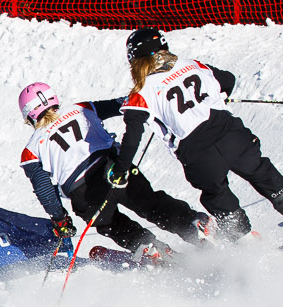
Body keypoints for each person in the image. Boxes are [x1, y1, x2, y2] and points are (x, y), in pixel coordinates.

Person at [121, 28, 283, 255]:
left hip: (199, 155)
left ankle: (251, 250)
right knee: (262, 173)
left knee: (217, 197)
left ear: (135, 61)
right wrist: (217, 95)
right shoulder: (192, 64)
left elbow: (131, 140)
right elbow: (227, 79)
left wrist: (121, 170)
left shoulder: (140, 93)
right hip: (232, 136)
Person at [16, 81, 207, 262]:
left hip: (82, 192)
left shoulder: (31, 149)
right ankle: (193, 224)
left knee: (111, 224)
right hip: (113, 168)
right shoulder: (81, 108)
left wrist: (60, 219)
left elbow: (44, 190)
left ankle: (149, 249)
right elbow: (122, 104)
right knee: (150, 203)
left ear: (30, 117)